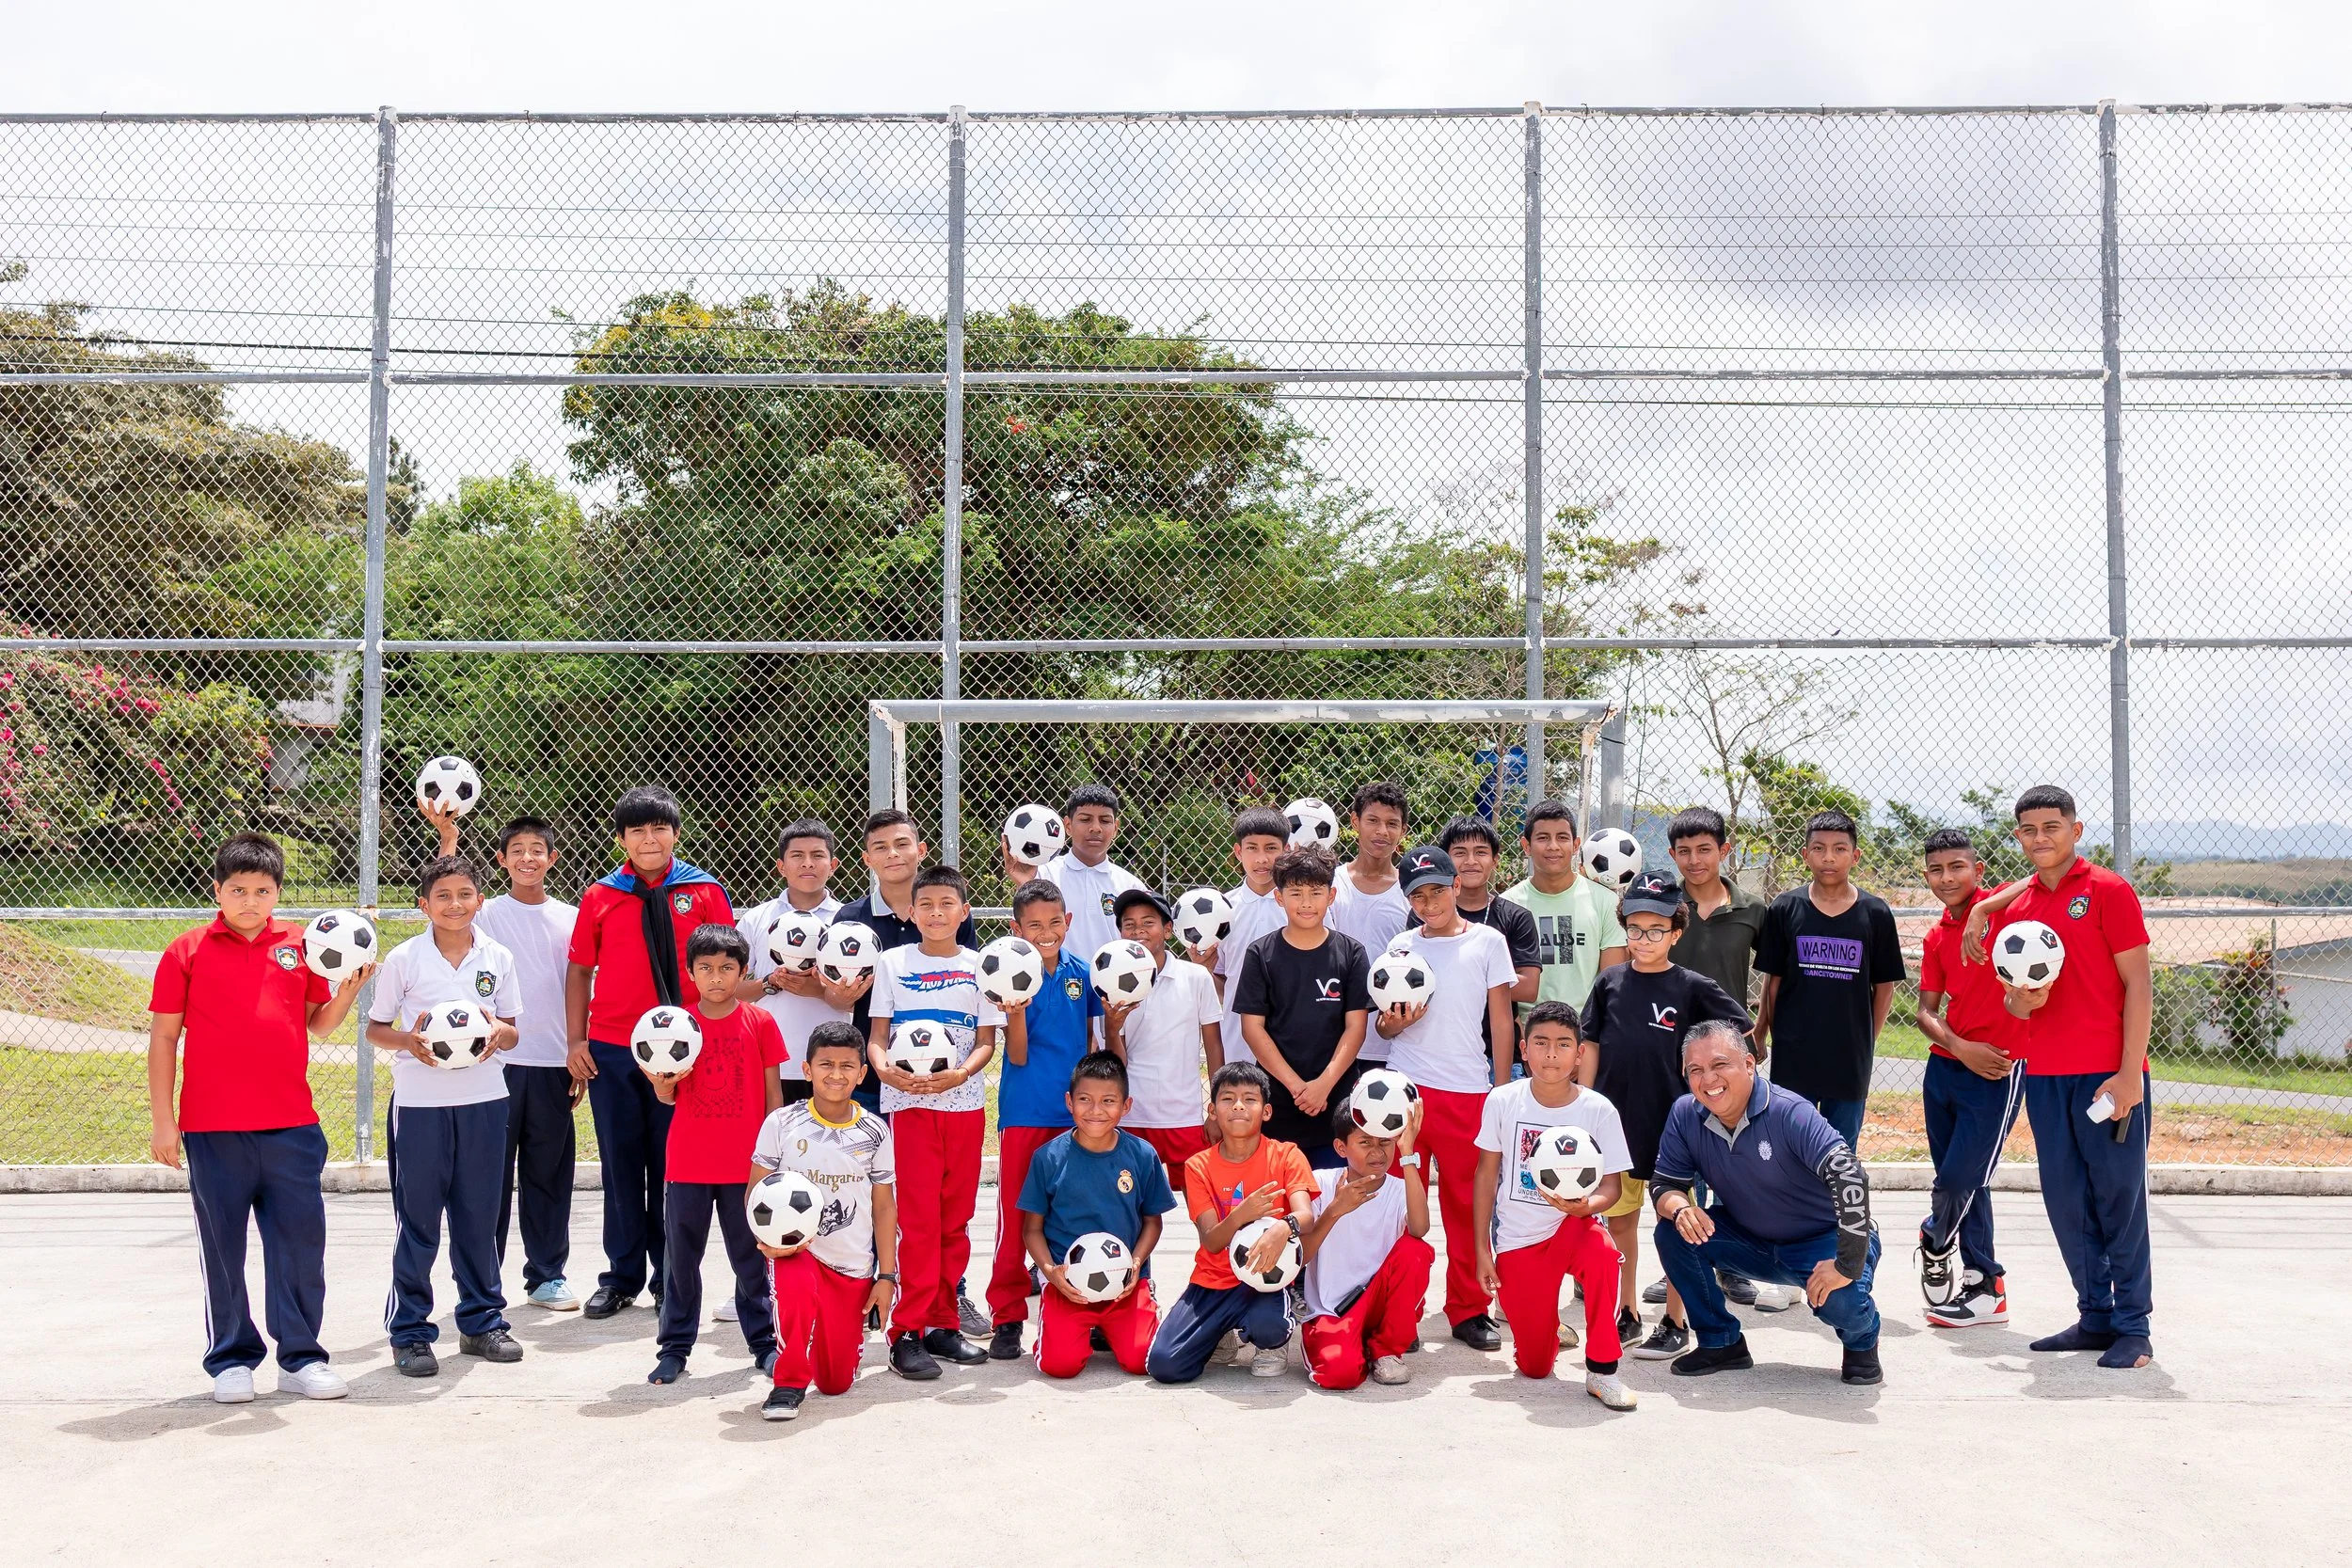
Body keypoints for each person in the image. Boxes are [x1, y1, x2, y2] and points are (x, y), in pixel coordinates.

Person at [147, 832, 372, 1403]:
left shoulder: (301, 945)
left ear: (277, 893)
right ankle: (231, 1359)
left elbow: (317, 1025)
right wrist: (164, 1121)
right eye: (238, 889)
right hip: (211, 1127)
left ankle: (301, 1358)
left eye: (263, 890)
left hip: (291, 1125)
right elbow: (165, 1038)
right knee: (222, 1245)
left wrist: (346, 991)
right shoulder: (187, 950)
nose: (250, 900)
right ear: (217, 890)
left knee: (299, 1244)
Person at [1964, 785, 2156, 1370]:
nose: (2041, 838)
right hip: (2044, 1075)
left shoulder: (2108, 891)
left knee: (2117, 1199)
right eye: (2029, 830)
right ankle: (2094, 1315)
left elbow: (2139, 986)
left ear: (2075, 829)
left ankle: (2133, 1327)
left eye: (2052, 827)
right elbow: (2020, 1010)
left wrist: (2129, 1076)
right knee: (2066, 1200)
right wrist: (2024, 1001)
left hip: (2107, 1077)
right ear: (2018, 837)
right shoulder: (2018, 911)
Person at [564, 784, 733, 1320]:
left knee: (673, 1164)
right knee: (619, 1162)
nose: (649, 839)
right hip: (614, 1047)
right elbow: (579, 970)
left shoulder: (703, 892)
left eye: (659, 829)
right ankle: (621, 1275)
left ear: (676, 835)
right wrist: (576, 1039)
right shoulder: (601, 896)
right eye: (637, 831)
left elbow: (722, 968)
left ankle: (671, 1275)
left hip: (684, 1050)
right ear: (621, 840)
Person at [1580, 868, 1756, 1362]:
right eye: (1635, 928)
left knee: (1676, 1226)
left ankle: (1676, 1319)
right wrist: (1586, 1106)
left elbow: (1738, 1035)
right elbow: (1590, 1045)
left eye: (1657, 929)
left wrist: (1716, 1092)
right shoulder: (1609, 982)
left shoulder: (1692, 987)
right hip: (1617, 1125)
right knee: (1620, 1224)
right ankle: (1628, 1310)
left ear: (1677, 933)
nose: (1645, 938)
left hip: (1675, 1132)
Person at [1650, 1021, 1884, 1386]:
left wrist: (1847, 1261)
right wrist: (1681, 1207)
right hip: (1749, 1240)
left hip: (1821, 1240)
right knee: (1673, 1232)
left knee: (1843, 1301)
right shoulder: (1685, 1114)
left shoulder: (1791, 1112)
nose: (1708, 1078)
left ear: (1748, 1064)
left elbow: (1850, 1175)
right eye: (1696, 1070)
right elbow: (1664, 1184)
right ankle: (1721, 1343)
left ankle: (1862, 1343)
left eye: (1719, 1064)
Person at [367, 853, 525, 1377]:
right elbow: (376, 1029)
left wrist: (497, 1034)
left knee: (480, 1216)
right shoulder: (405, 959)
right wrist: (411, 1042)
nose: (454, 905)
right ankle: (410, 1331)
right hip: (420, 1105)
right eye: (442, 896)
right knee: (419, 1221)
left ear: (480, 900)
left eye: (464, 895)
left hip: (484, 1100)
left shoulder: (497, 956)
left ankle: (482, 1322)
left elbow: (512, 1030)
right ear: (423, 905)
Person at [1375, 844, 1518, 1351]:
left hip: (1466, 1092)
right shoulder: (1400, 945)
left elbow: (1502, 1020)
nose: (1429, 902)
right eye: (1418, 895)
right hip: (1405, 1090)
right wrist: (1391, 1023)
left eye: (1438, 890)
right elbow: (1384, 1025)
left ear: (1457, 886)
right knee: (1394, 1202)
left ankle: (1469, 1308)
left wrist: (1501, 1089)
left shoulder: (1488, 942)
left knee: (1466, 1205)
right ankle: (1396, 1308)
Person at [866, 863, 1001, 1378]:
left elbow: (987, 1041)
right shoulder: (893, 963)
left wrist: (960, 1074)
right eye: (927, 905)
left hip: (962, 1104)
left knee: (955, 1219)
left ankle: (943, 1324)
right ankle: (907, 1331)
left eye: (948, 904)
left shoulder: (981, 965)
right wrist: (885, 1071)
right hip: (910, 1107)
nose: (937, 912)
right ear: (912, 912)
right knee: (918, 1221)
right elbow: (878, 1037)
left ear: (965, 911)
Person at [1471, 1002, 1637, 1410]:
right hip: (1518, 1242)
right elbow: (1485, 1176)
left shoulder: (1598, 1109)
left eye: (1563, 1044)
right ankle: (1547, 1327)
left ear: (1579, 1054)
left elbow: (1612, 1188)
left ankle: (1602, 1370)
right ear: (1523, 1049)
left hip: (1574, 1228)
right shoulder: (1502, 1100)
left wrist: (1587, 1207)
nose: (1551, 1054)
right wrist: (1482, 1250)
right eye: (1541, 1043)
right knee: (1534, 1367)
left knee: (1603, 1253)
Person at [645, 924, 786, 1384]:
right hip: (687, 1162)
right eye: (705, 968)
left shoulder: (760, 1022)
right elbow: (668, 1098)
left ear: (743, 971)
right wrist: (661, 1085)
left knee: (750, 1258)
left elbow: (773, 1098)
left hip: (744, 1167)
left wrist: (772, 1159)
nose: (717, 977)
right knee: (681, 1260)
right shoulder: (675, 1026)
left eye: (727, 968)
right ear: (690, 972)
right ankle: (675, 1348)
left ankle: (764, 1344)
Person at [750, 1022, 898, 1421]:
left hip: (851, 1265)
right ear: (807, 1069)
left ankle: (821, 1346)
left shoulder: (875, 1132)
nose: (836, 1074)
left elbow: (884, 1208)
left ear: (862, 1073)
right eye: (826, 1064)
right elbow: (756, 1194)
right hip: (798, 1251)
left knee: (836, 1383)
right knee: (794, 1281)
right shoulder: (781, 1124)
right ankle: (789, 1381)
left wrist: (886, 1277)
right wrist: (768, 1241)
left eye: (847, 1066)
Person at [985, 879, 1104, 1358]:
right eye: (1034, 925)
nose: (1046, 931)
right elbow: (1015, 1056)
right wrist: (1015, 1013)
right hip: (1025, 1111)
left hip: (1077, 1113)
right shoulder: (1007, 974)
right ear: (1017, 928)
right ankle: (1008, 1315)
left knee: (1076, 1210)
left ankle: (1083, 1307)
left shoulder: (1083, 973)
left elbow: (1092, 1042)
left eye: (1055, 922)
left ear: (1069, 922)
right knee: (1017, 1214)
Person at [1912, 827, 2026, 1328]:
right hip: (1946, 1067)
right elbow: (1926, 1011)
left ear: (1978, 871)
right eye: (1936, 869)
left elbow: (2044, 875)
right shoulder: (1936, 936)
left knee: (1963, 1177)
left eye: (1957, 867)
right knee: (1962, 1180)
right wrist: (1959, 1046)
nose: (1947, 877)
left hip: (1998, 1069)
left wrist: (1981, 910)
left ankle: (1936, 1241)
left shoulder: (2006, 914)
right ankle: (1984, 1288)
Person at [1145, 1063, 1320, 1383]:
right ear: (1212, 1110)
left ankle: (1271, 1345)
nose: (1238, 1105)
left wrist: (1282, 1227)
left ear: (1266, 1111)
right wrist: (1243, 1214)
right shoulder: (1198, 1166)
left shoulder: (1286, 1155)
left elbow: (1306, 1217)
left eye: (1249, 1099)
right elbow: (1211, 1241)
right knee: (1165, 1366)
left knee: (1269, 1327)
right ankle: (1226, 1334)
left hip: (1265, 1278)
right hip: (1212, 1281)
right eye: (1228, 1099)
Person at [1018, 1052, 1177, 1378]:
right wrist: (1050, 1272)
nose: (1095, 1111)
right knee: (1058, 1367)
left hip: (1125, 1286)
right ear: (1069, 1101)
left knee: (1142, 1362)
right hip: (1070, 1287)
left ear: (1126, 1106)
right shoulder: (1048, 1157)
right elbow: (1031, 1229)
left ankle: (1118, 1322)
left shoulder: (1142, 1155)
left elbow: (1152, 1221)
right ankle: (1069, 1329)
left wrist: (1135, 1264)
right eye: (1085, 1100)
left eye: (1108, 1101)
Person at [1754, 808, 1904, 1151]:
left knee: (1839, 1151)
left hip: (1849, 1059)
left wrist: (1866, 1040)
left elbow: (1884, 987)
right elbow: (1772, 981)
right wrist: (1763, 1031)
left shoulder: (1875, 913)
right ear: (1805, 855)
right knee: (1789, 1146)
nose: (1829, 857)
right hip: (1794, 1056)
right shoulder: (1785, 908)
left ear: (1856, 855)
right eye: (1819, 848)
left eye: (1839, 848)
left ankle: (1833, 1208)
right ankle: (1793, 1207)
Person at [1232, 847, 1372, 1166]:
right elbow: (1253, 1028)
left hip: (1335, 1099)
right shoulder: (1261, 954)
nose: (1306, 903)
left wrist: (1323, 1085)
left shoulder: (1351, 954)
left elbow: (1356, 1027)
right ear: (1279, 897)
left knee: (1335, 1198)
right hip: (1279, 1101)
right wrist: (1297, 1087)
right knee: (1279, 1200)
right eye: (1295, 893)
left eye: (1315, 892)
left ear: (1331, 895)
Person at [1298, 1100, 1434, 1390]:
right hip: (1334, 1310)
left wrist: (1407, 1153)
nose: (1377, 1152)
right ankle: (1351, 1346)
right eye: (1365, 1142)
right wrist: (1335, 1209)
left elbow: (1421, 1229)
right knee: (1340, 1375)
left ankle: (1386, 1348)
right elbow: (1302, 1256)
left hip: (1380, 1305)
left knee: (1417, 1250)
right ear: (1341, 1148)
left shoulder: (1400, 1188)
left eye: (1385, 1142)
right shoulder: (1320, 1184)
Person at [735, 818, 864, 1109]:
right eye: (797, 856)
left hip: (832, 1064)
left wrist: (818, 989)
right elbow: (729, 990)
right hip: (769, 1061)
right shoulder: (757, 919)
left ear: (834, 865)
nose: (808, 863)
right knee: (773, 1148)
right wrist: (770, 983)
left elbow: (863, 1001)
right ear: (781, 866)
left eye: (818, 855)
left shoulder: (850, 922)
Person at [1102, 887, 1225, 1188]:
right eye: (1128, 924)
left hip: (1186, 1118)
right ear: (1119, 932)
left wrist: (1217, 1110)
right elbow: (1116, 1062)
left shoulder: (1196, 977)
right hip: (1133, 1117)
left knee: (1201, 1207)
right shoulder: (1110, 981)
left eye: (1148, 922)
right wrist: (1112, 1024)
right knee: (1132, 1209)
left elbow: (1214, 1048)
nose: (1138, 930)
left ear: (1168, 929)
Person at [1505, 800, 1628, 1013]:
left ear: (1576, 845)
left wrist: (1591, 1036)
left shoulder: (1605, 902)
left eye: (1562, 838)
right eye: (1543, 838)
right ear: (1526, 846)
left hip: (1585, 1030)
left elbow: (1612, 984)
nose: (1553, 846)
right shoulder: (1508, 905)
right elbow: (1502, 983)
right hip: (1527, 1031)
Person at [1328, 783, 1413, 1047]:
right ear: (1355, 821)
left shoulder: (1411, 893)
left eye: (1392, 823)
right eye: (1372, 821)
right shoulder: (1330, 883)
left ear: (1403, 830)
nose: (1382, 831)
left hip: (1391, 1040)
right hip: (1333, 1033)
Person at [1666, 806, 1769, 1022]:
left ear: (1723, 851)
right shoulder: (1662, 906)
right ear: (1673, 854)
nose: (1694, 860)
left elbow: (1774, 970)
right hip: (1668, 1034)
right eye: (1684, 851)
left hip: (1730, 1036)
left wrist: (1760, 1025)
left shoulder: (1753, 909)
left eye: (1704, 850)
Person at [1210, 806, 1292, 1067]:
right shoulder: (1222, 910)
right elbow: (1222, 979)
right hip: (1238, 1040)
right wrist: (1203, 969)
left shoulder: (1302, 909)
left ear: (1286, 851)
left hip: (1291, 1039)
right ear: (1238, 852)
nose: (1262, 859)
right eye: (1252, 848)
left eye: (1271, 848)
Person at [1032, 783, 1144, 958]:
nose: (1096, 828)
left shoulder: (1131, 886)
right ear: (1067, 825)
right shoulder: (1042, 875)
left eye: (1105, 821)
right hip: (1056, 981)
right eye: (1085, 820)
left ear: (1116, 827)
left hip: (1115, 983)